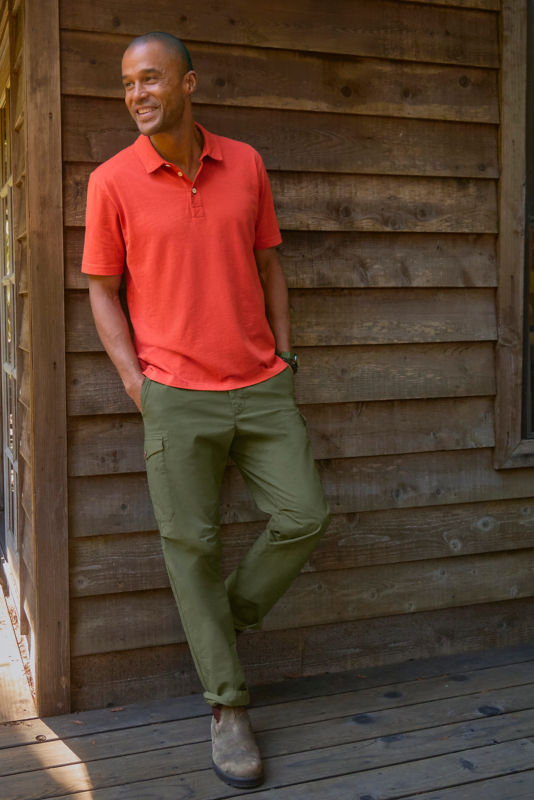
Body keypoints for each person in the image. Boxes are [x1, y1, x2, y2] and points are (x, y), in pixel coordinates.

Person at [82, 31, 330, 789]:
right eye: (127, 84)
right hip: (174, 397)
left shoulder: (245, 164)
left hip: (261, 386)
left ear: (190, 83)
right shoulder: (112, 181)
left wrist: (285, 357)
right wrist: (136, 383)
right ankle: (228, 708)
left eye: (151, 79)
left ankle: (217, 620)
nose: (137, 95)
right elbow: (100, 288)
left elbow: (268, 264)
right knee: (190, 548)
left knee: (304, 516)